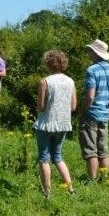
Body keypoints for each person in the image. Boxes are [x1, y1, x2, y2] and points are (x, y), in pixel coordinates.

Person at [32, 50, 77, 197]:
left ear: (48, 63)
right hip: (63, 123)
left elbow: (41, 107)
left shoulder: (45, 81)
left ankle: (47, 192)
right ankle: (70, 189)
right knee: (58, 157)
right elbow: (73, 107)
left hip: (46, 124)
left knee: (44, 158)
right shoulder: (70, 81)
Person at [79, 39, 109, 180]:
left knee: (90, 150)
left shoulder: (91, 70)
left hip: (91, 114)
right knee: (103, 149)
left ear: (96, 53)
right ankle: (105, 178)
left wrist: (82, 111)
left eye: (90, 51)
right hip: (105, 114)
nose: (88, 53)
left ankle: (93, 180)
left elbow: (90, 96)